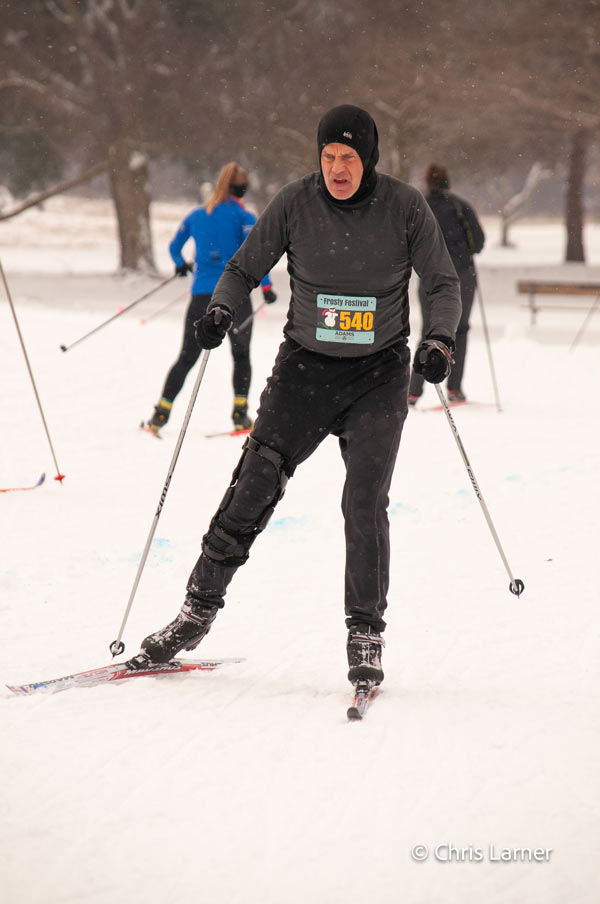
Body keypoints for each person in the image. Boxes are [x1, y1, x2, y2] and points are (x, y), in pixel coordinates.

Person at [130, 105, 461, 689]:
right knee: (253, 484)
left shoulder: (405, 207)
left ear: (370, 160)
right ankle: (195, 613)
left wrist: (437, 340)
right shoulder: (294, 202)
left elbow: (440, 282)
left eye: (349, 158)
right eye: (328, 156)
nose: (337, 168)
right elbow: (241, 267)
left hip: (378, 375)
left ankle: (366, 633)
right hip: (304, 370)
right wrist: (220, 309)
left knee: (364, 501)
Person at [143, 162, 277, 436]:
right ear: (240, 187)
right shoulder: (245, 217)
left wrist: (181, 264)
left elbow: (173, 247)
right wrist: (266, 287)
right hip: (235, 297)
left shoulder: (196, 215)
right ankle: (240, 414)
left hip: (202, 296)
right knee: (241, 355)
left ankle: (160, 413)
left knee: (187, 357)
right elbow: (255, 255)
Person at [408, 163, 484, 406]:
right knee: (459, 330)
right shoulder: (460, 206)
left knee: (429, 330)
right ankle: (454, 389)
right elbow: (478, 242)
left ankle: (414, 390)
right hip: (462, 275)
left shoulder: (421, 207)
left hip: (429, 278)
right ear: (447, 181)